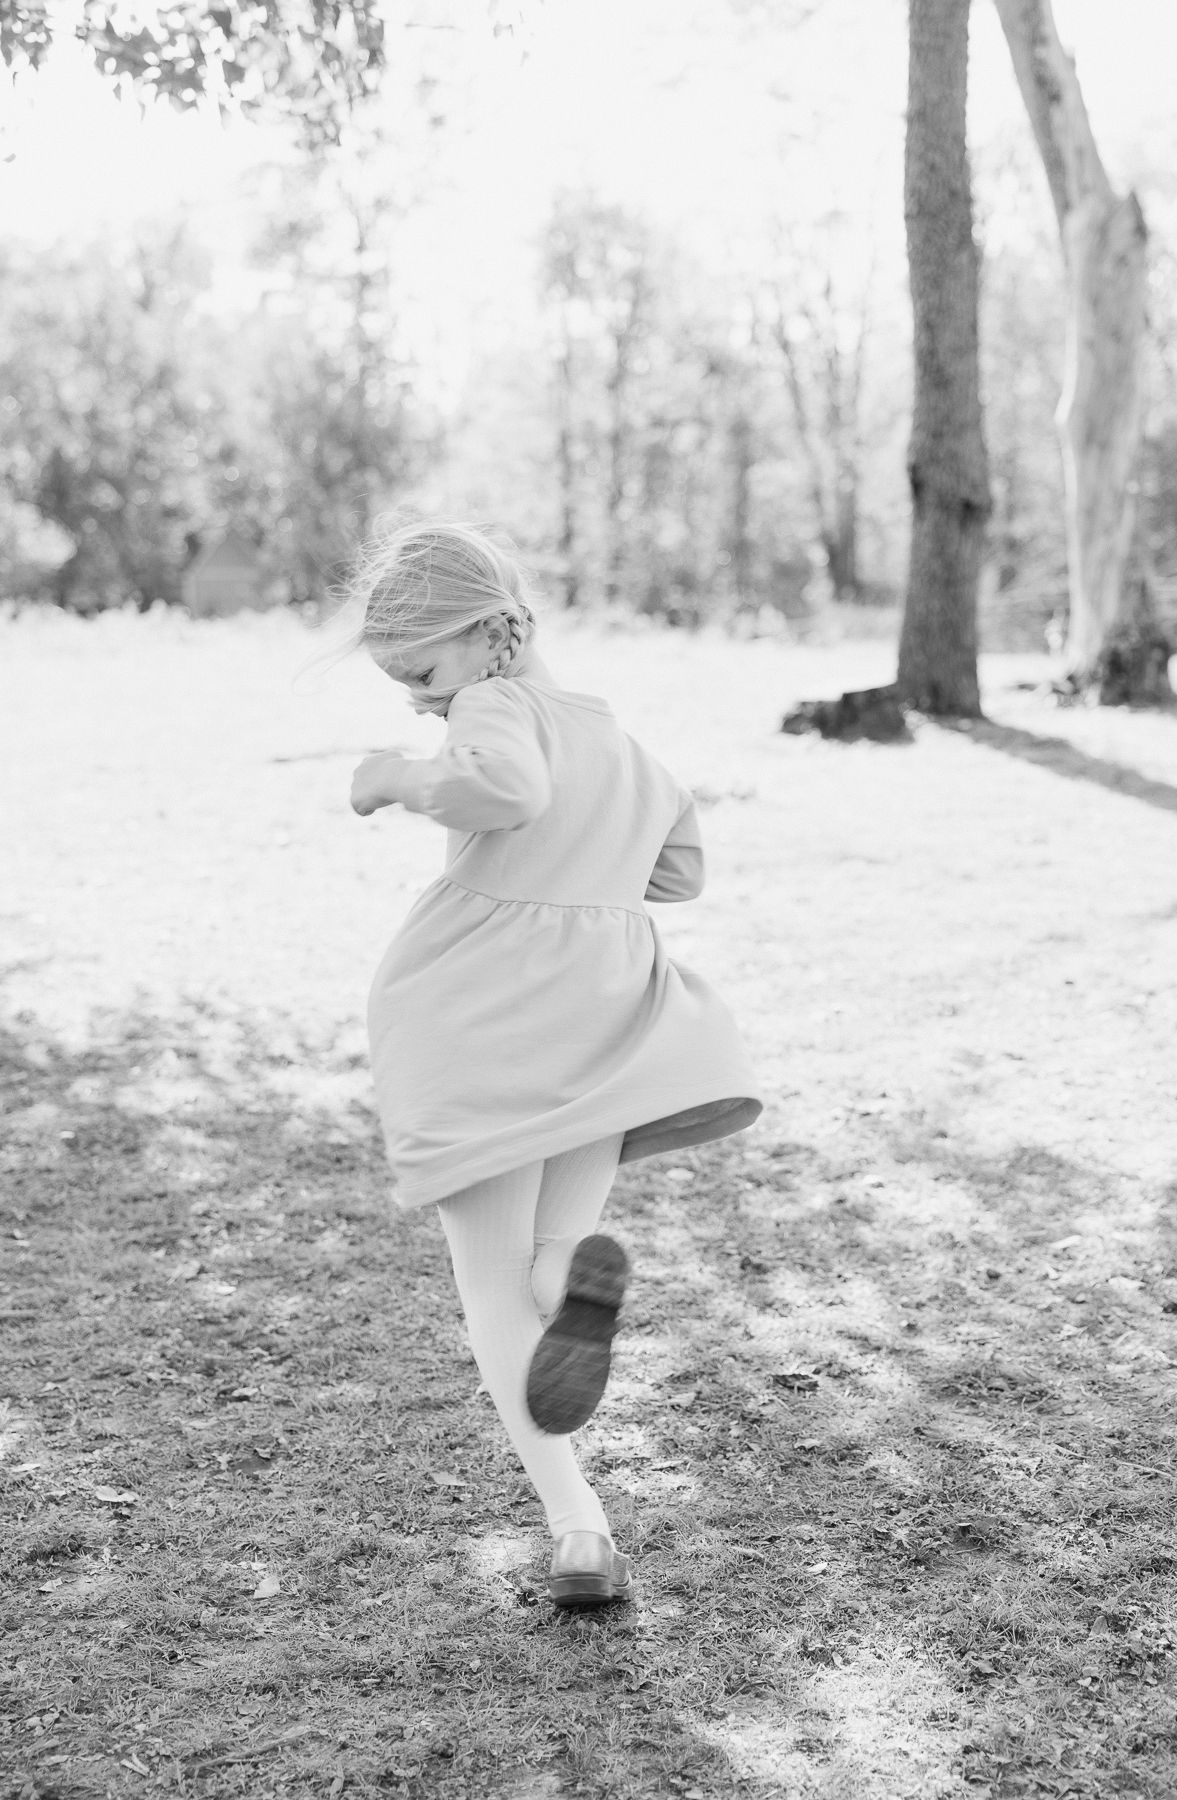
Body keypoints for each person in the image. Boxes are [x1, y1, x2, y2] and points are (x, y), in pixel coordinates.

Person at [347, 520, 761, 1607]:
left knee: (486, 1283)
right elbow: (681, 872)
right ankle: (570, 1289)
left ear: (489, 635)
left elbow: (508, 794)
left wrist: (400, 778)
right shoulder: (618, 737)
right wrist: (594, 869)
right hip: (603, 1024)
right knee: (546, 1265)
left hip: (486, 1016)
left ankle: (580, 1530)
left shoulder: (496, 708)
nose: (421, 703)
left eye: (423, 673)